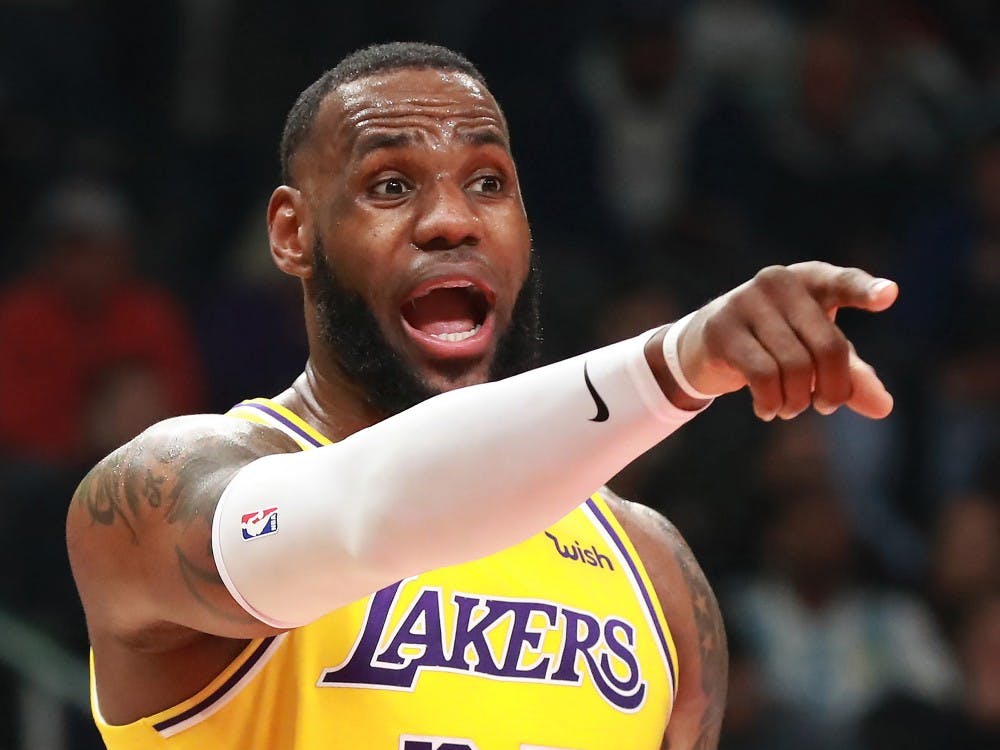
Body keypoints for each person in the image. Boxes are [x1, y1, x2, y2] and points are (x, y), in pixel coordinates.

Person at [66, 43, 898, 750]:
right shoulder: (160, 495)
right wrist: (674, 364)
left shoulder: (654, 569)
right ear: (292, 232)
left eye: (489, 183)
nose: (451, 221)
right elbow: (366, 514)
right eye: (391, 185)